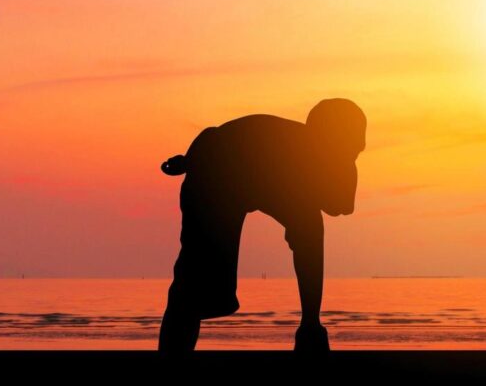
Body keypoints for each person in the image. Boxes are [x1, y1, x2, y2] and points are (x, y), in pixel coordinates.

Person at [157, 98, 367, 355]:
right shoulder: (295, 160)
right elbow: (222, 144)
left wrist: (346, 165)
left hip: (222, 166)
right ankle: (171, 358)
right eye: (353, 144)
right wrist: (191, 161)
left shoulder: (308, 163)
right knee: (198, 287)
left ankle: (310, 326)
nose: (360, 148)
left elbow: (340, 207)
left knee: (309, 228)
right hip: (214, 175)